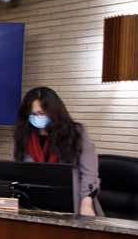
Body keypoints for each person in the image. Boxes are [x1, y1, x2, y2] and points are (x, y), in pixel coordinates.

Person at [13, 86, 101, 216]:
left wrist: (86, 203)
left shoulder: (76, 133)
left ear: (54, 112)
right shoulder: (23, 136)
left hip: (74, 202)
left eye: (41, 113)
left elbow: (89, 173)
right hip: (34, 202)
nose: (37, 117)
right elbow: (17, 171)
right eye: (33, 114)